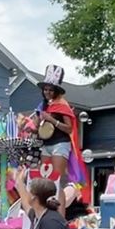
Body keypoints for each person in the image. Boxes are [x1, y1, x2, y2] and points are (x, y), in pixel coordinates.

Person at [35, 65, 77, 204]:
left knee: (57, 180)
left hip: (60, 144)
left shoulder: (62, 104)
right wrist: (30, 127)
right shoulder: (42, 106)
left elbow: (69, 129)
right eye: (45, 89)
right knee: (45, 182)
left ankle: (60, 216)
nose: (47, 92)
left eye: (50, 90)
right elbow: (37, 128)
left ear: (56, 91)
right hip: (45, 145)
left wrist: (52, 120)